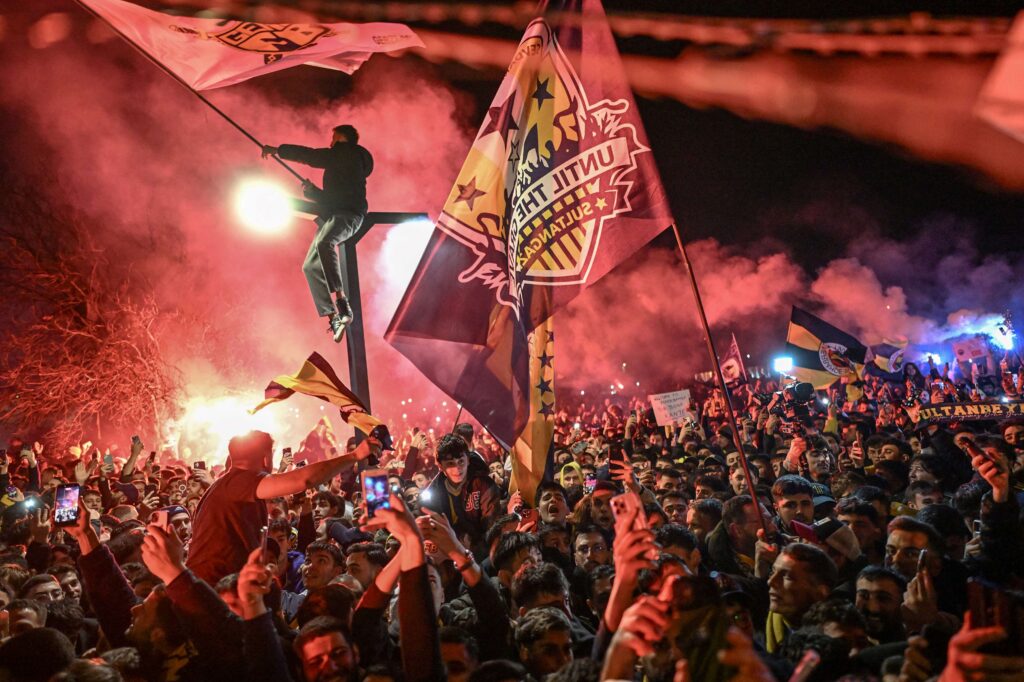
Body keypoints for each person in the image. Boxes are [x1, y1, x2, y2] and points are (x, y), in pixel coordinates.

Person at [187, 430, 380, 585]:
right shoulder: (240, 481)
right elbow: (305, 480)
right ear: (265, 458)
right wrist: (355, 455)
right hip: (213, 587)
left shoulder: (223, 486)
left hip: (213, 585)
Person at [261, 124, 374, 342]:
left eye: (333, 139)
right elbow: (334, 199)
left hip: (349, 215)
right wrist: (314, 193)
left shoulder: (348, 154)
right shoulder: (343, 164)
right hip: (336, 213)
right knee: (310, 266)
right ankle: (334, 317)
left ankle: (342, 303)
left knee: (325, 243)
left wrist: (278, 150)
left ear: (341, 138)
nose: (330, 143)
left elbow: (310, 156)